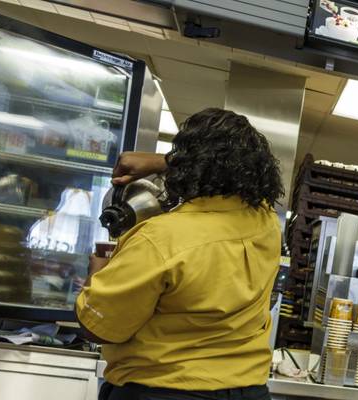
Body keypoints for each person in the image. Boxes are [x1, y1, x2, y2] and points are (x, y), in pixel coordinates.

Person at [75, 108, 285, 400]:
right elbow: (240, 177)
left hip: (163, 391)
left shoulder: (160, 239)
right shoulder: (265, 222)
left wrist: (97, 272)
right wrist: (167, 162)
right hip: (250, 392)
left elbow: (99, 329)